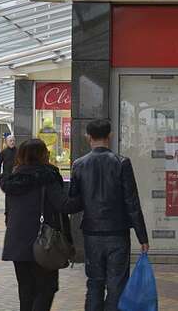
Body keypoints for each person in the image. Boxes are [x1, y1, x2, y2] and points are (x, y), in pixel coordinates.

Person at [69, 119, 149, 311]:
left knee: (94, 283)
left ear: (88, 137)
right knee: (117, 285)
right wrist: (142, 236)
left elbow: (73, 200)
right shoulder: (122, 163)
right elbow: (132, 202)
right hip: (118, 232)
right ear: (110, 136)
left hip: (91, 232)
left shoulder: (79, 164)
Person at [0, 139, 82, 311]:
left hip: (17, 243)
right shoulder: (48, 178)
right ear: (43, 155)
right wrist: (86, 197)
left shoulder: (12, 179)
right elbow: (64, 205)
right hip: (43, 243)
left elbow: (8, 213)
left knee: (26, 291)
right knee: (46, 289)